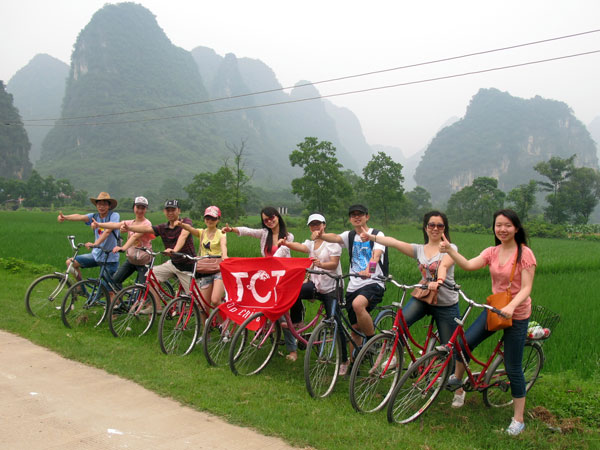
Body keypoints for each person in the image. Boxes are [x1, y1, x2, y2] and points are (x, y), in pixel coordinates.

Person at [439, 209, 536, 436]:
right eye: (498, 225)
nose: (502, 229)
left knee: (513, 368)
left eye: (507, 225)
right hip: (494, 310)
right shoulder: (492, 252)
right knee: (463, 344)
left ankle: (518, 420)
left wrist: (511, 306)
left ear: (516, 228)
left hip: (517, 314)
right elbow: (469, 265)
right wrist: (450, 251)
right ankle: (458, 380)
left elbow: (527, 288)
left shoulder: (525, 254)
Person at [360, 210, 460, 347]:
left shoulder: (450, 248)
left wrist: (439, 281)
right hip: (424, 297)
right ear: (426, 228)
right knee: (399, 324)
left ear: (444, 229)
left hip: (446, 303)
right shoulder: (419, 249)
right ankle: (396, 355)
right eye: (431, 225)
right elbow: (394, 242)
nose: (435, 228)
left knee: (449, 348)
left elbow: (444, 266)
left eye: (440, 226)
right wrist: (371, 237)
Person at [314, 204, 386, 376]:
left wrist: (370, 269)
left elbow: (376, 254)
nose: (356, 217)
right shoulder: (350, 235)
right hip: (353, 284)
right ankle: (354, 364)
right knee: (354, 328)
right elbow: (335, 238)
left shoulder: (377, 234)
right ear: (350, 218)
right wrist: (322, 235)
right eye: (353, 215)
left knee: (358, 304)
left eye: (360, 214)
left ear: (367, 216)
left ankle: (371, 341)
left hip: (374, 282)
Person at [222, 207, 295, 359]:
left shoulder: (288, 236)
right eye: (265, 220)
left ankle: (292, 350)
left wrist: (267, 263)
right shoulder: (265, 234)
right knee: (255, 301)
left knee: (282, 313)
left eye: (271, 218)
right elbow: (248, 231)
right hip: (267, 276)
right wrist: (232, 229)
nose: (269, 221)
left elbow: (279, 254)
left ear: (277, 216)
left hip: (281, 277)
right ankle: (265, 326)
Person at [278, 213, 343, 362]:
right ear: (309, 227)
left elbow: (333, 264)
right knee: (293, 291)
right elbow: (301, 246)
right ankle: (296, 322)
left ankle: (344, 359)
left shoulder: (332, 242)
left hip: (331, 287)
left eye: (318, 224)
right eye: (312, 224)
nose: (315, 227)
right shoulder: (311, 243)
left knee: (335, 321)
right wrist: (286, 244)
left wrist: (321, 265)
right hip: (315, 284)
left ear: (324, 225)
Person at [123, 200, 196, 303]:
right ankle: (157, 307)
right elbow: (146, 229)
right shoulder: (163, 228)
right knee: (150, 276)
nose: (170, 213)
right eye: (168, 210)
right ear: (164, 211)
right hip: (173, 264)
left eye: (173, 210)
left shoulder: (185, 222)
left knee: (195, 301)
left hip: (187, 266)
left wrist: (174, 250)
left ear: (179, 211)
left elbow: (183, 236)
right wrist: (129, 227)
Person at [91, 196, 154, 289]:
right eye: (138, 207)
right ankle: (119, 301)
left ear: (146, 210)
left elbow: (135, 236)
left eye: (143, 208)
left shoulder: (147, 224)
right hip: (132, 259)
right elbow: (114, 225)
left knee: (144, 288)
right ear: (134, 208)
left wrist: (123, 248)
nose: (140, 211)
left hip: (144, 260)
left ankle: (148, 303)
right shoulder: (130, 222)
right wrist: (99, 224)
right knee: (115, 280)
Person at [57, 192, 120, 281]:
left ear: (109, 206)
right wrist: (65, 217)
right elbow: (80, 217)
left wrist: (95, 244)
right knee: (70, 263)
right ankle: (80, 289)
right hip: (96, 255)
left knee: (109, 291)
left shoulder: (114, 216)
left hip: (109, 257)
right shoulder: (94, 216)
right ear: (96, 205)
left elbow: (107, 231)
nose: (101, 207)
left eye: (104, 204)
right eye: (99, 204)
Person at [174, 205, 227, 308]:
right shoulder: (202, 233)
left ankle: (223, 323)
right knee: (203, 306)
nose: (210, 220)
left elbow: (223, 246)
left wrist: (224, 256)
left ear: (218, 220)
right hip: (205, 270)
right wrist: (182, 225)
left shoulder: (221, 234)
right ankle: (205, 324)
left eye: (213, 218)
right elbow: (190, 229)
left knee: (215, 300)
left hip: (218, 270)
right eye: (207, 218)